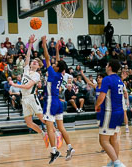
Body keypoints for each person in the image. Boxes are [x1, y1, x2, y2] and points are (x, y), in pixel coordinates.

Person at [9, 34, 48, 147]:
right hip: (24, 99)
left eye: (37, 62)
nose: (34, 62)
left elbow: (27, 87)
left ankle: (56, 132)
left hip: (31, 98)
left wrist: (14, 84)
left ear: (39, 66)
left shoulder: (36, 75)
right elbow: (27, 56)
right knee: (29, 123)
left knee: (42, 119)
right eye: (33, 61)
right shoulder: (26, 70)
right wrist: (30, 44)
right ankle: (43, 134)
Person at [42, 36, 75, 164]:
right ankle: (70, 147)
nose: (53, 64)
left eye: (55, 65)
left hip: (50, 101)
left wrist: (44, 44)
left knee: (49, 128)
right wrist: (56, 49)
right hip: (58, 102)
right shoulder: (60, 75)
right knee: (61, 128)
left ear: (57, 68)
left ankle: (55, 150)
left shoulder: (52, 73)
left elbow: (47, 58)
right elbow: (56, 61)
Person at [95, 59, 126, 167]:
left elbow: (102, 97)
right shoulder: (119, 80)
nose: (106, 66)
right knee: (114, 139)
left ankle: (117, 163)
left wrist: (97, 105)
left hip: (110, 112)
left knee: (103, 140)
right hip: (119, 112)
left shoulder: (107, 79)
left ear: (110, 67)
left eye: (107, 64)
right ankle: (114, 162)